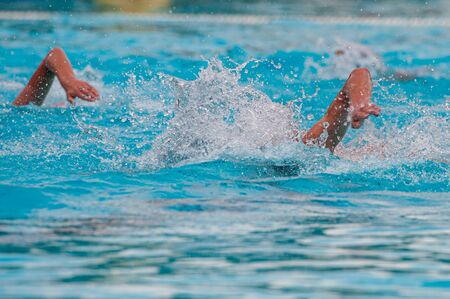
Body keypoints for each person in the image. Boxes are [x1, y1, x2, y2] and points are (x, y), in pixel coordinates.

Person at [12, 48, 380, 153]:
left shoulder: (305, 146)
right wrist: (359, 104)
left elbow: (358, 76)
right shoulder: (308, 146)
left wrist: (68, 78)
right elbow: (357, 77)